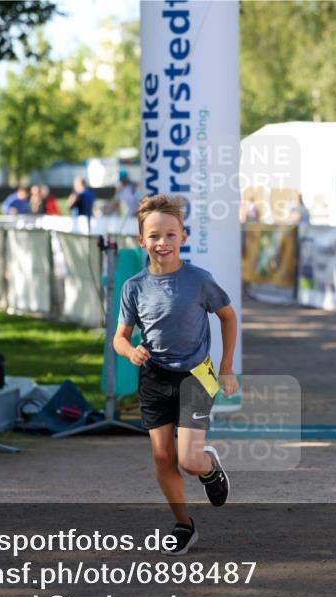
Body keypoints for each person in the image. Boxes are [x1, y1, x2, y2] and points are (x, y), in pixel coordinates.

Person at [113, 194, 239, 556]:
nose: (162, 243)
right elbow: (119, 339)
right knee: (163, 458)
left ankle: (208, 467)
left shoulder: (199, 280)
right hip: (154, 379)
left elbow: (228, 317)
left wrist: (227, 367)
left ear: (183, 236)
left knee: (188, 460)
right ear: (141, 241)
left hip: (196, 376)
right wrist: (131, 350)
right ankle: (184, 525)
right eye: (154, 236)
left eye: (170, 235)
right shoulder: (134, 287)